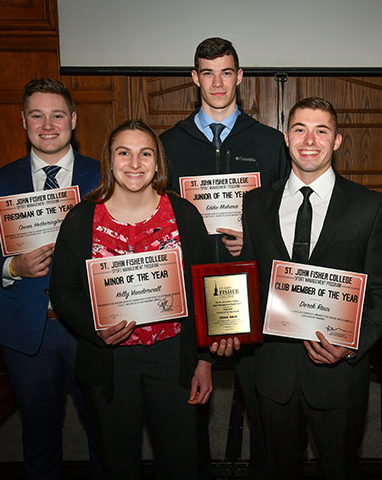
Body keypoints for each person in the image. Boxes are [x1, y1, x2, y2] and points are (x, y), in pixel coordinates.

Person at [222, 96, 382, 479]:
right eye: (300, 129)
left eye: (322, 130)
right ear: (286, 138)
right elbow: (247, 281)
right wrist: (226, 327)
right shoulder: (254, 204)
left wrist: (353, 344)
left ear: (337, 141)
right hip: (272, 374)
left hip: (338, 374)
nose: (310, 140)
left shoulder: (370, 206)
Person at [49, 120, 213, 479]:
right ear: (110, 160)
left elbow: (203, 291)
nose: (135, 163)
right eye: (124, 153)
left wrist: (203, 360)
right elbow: (61, 290)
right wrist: (96, 328)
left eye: (145, 154)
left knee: (181, 461)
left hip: (173, 356)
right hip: (109, 360)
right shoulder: (81, 220)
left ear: (158, 163)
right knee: (117, 462)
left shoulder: (184, 215)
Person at [160, 36, 290, 478]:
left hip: (253, 288)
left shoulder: (271, 143)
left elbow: (287, 216)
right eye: (208, 73)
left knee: (263, 408)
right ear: (194, 78)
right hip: (189, 292)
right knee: (189, 408)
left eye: (226, 72)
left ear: (240, 77)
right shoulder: (168, 144)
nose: (218, 82)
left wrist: (253, 241)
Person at [0, 78, 101, 480]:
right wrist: (11, 266)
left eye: (57, 115)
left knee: (105, 434)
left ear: (73, 120)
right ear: (23, 121)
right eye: (37, 115)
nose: (47, 125)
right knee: (38, 439)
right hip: (27, 333)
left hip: (91, 330)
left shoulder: (105, 176)